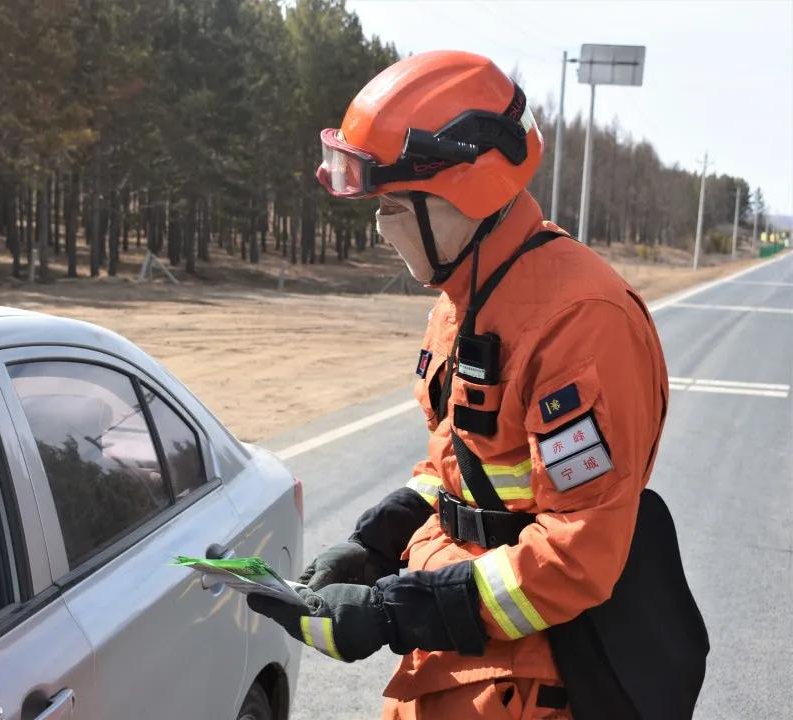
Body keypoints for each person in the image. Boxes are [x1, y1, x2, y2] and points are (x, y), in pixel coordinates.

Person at [248, 51, 705, 719]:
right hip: (457, 665)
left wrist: (394, 614)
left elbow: (578, 554)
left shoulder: (582, 323)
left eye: (392, 207)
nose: (380, 229)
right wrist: (377, 541)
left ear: (461, 197)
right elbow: (459, 463)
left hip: (532, 686)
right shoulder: (464, 301)